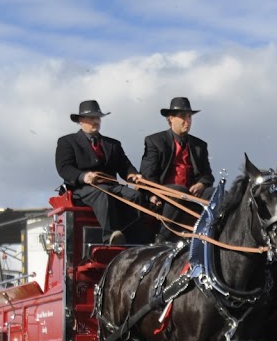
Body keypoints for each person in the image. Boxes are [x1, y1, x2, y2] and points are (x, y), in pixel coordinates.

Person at [55, 99, 153, 245]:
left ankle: (132, 238)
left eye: (98, 118)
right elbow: (64, 168)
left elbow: (124, 166)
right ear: (81, 120)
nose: (96, 121)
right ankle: (111, 237)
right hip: (83, 189)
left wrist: (132, 175)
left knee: (136, 196)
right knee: (103, 194)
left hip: (112, 186)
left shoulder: (112, 144)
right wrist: (84, 176)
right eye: (91, 118)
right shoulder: (67, 142)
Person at [140, 97, 215, 241]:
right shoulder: (155, 141)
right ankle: (162, 238)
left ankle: (215, 236)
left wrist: (201, 184)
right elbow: (148, 174)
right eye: (182, 116)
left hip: (193, 195)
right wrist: (152, 194)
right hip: (165, 192)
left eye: (189, 117)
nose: (187, 120)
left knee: (216, 193)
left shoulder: (200, 145)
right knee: (180, 192)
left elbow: (207, 175)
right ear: (171, 118)